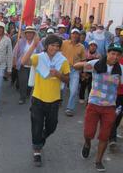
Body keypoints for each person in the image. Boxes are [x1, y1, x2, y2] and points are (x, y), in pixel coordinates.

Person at [21, 34, 70, 167]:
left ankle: (40, 138)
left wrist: (59, 75)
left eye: (57, 46)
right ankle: (37, 151)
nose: (54, 48)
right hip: (38, 98)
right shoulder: (39, 58)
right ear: (47, 45)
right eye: (52, 45)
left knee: (52, 126)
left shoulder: (63, 60)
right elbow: (23, 61)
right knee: (36, 125)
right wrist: (34, 45)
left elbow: (67, 79)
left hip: (54, 100)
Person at [74, 43, 123, 172]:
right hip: (93, 104)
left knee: (104, 136)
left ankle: (98, 161)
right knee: (88, 132)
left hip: (110, 107)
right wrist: (85, 65)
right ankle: (87, 143)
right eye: (113, 53)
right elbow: (76, 66)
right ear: (108, 53)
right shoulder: (96, 63)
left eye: (118, 54)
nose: (115, 57)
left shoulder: (121, 70)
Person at [14, 26, 43, 105]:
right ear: (25, 34)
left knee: (30, 82)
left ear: (34, 34)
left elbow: (41, 52)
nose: (29, 34)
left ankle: (27, 93)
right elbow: (15, 52)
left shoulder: (38, 42)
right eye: (28, 33)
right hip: (23, 65)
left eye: (31, 33)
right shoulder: (20, 42)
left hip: (33, 66)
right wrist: (14, 62)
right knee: (23, 81)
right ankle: (22, 97)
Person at [61, 28, 86, 116]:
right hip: (64, 69)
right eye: (73, 33)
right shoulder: (64, 43)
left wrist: (82, 72)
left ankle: (70, 108)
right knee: (61, 88)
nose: (75, 35)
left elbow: (84, 60)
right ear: (70, 35)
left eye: (77, 34)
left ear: (79, 36)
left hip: (75, 70)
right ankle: (59, 101)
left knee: (74, 90)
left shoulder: (82, 47)